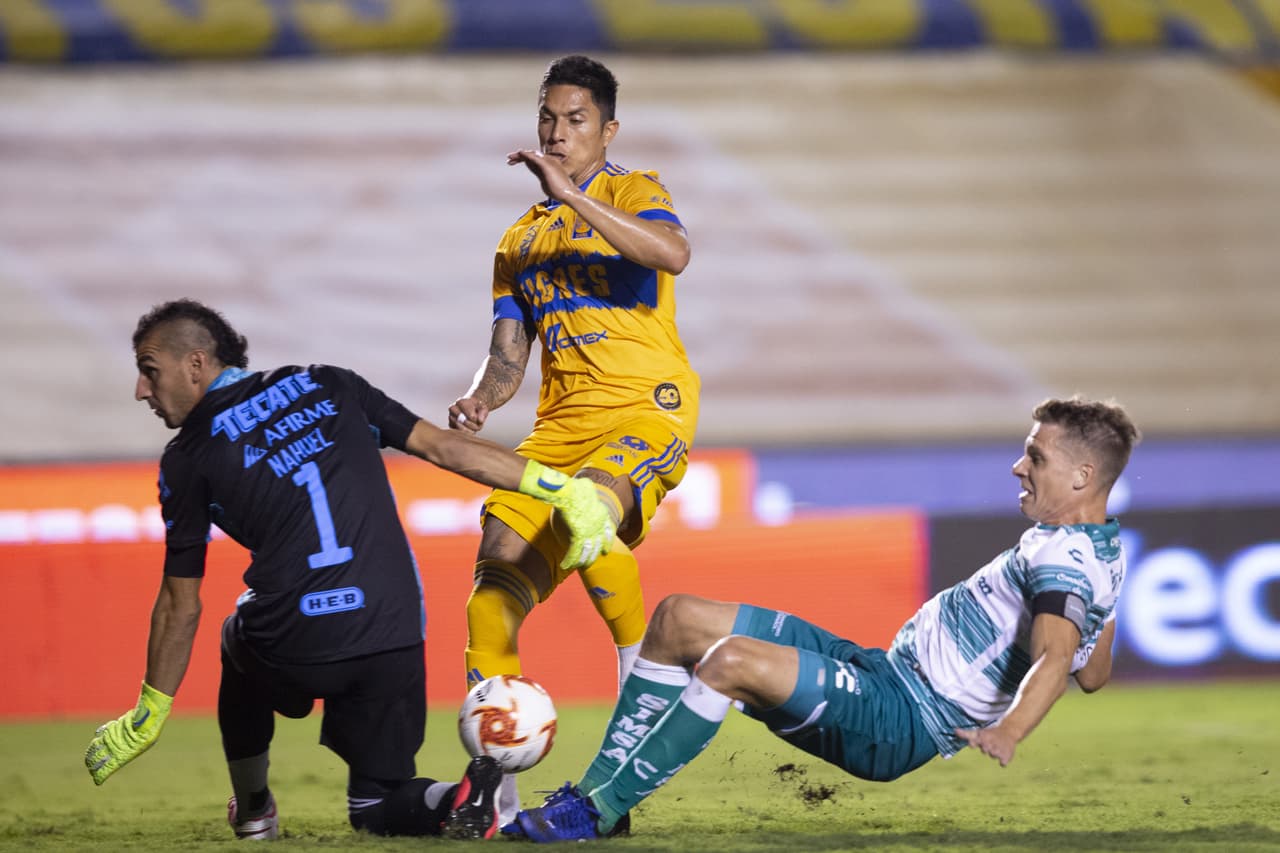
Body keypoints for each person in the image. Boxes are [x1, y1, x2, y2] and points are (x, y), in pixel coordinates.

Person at [82, 299, 619, 841]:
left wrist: (150, 709)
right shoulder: (329, 384)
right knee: (376, 801)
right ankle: (455, 797)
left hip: (296, 640)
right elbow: (446, 448)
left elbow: (181, 601)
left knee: (234, 635)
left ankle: (253, 810)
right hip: (393, 629)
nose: (141, 390)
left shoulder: (188, 455)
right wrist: (562, 489)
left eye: (149, 371)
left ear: (196, 365)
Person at [508, 396, 1141, 842]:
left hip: (903, 720)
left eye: (1036, 457)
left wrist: (1010, 731)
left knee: (726, 662)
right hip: (882, 671)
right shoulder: (1096, 555)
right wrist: (1098, 612)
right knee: (678, 619)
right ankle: (597, 800)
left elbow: (1059, 657)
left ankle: (597, 813)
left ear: (1084, 476)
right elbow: (1093, 673)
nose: (1018, 467)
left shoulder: (1065, 558)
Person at [447, 55, 700, 821]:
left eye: (576, 120)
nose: (557, 133)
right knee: (490, 593)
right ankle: (498, 798)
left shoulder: (635, 190)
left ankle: (641, 712)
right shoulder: (516, 242)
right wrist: (479, 401)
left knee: (586, 512)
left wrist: (571, 197)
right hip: (558, 428)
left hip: (641, 409)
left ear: (608, 130)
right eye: (547, 119)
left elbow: (672, 255)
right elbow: (507, 355)